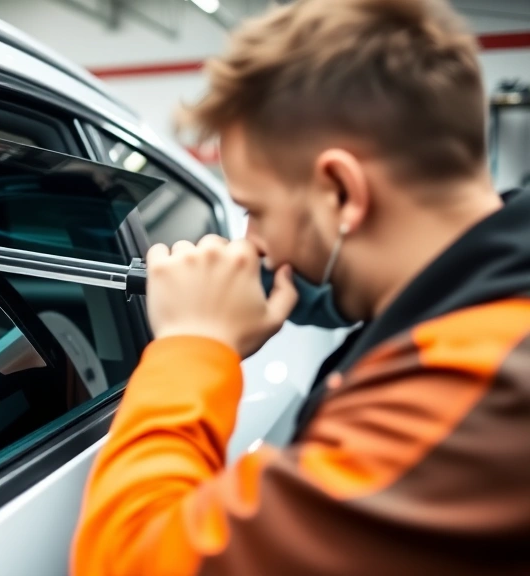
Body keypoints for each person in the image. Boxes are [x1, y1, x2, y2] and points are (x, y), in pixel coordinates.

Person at [71, 0, 530, 574]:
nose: (255, 245)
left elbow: (132, 560)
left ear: (340, 192)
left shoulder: (473, 389)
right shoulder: (485, 312)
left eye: (255, 211)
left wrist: (191, 346)